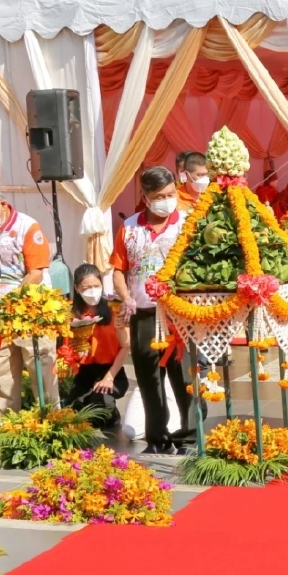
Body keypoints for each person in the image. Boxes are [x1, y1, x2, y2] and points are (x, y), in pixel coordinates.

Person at [111, 167, 193, 454]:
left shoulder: (187, 223)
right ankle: (157, 438)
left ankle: (190, 436)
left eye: (171, 194)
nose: (167, 201)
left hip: (179, 314)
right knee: (148, 377)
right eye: (159, 196)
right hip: (143, 313)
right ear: (145, 197)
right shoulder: (129, 228)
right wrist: (126, 298)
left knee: (184, 377)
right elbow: (119, 270)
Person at [0, 182, 57, 415]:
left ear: (3, 204)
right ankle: (5, 429)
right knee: (0, 373)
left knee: (41, 368)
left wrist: (9, 306)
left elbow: (35, 273)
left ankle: (52, 422)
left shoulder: (28, 227)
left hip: (31, 313)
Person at [63, 262, 129, 433]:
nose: (92, 291)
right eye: (87, 287)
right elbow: (65, 349)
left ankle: (112, 414)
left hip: (111, 370)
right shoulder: (70, 314)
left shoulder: (113, 308)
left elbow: (125, 346)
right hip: (84, 373)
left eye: (96, 286)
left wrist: (109, 377)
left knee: (100, 405)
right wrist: (74, 355)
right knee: (75, 413)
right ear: (77, 289)